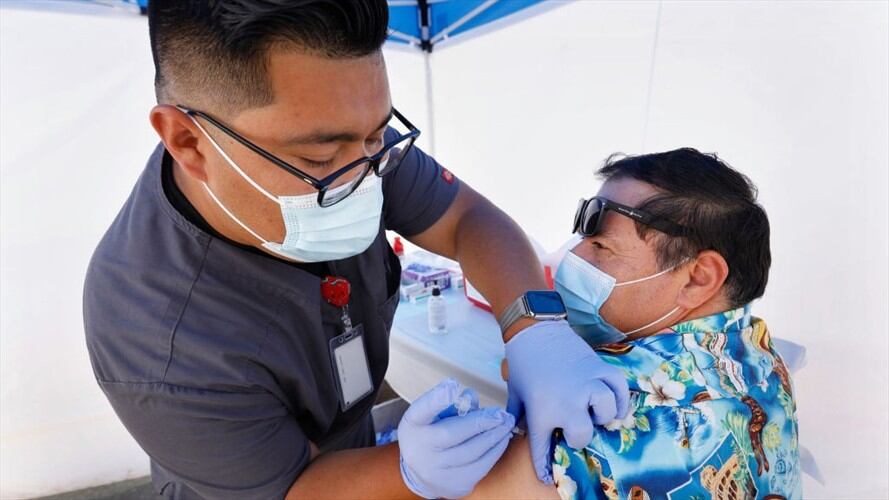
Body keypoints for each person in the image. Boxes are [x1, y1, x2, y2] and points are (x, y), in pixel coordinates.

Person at [82, 1, 628, 498]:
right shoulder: (155, 339)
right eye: (320, 160)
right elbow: (295, 490)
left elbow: (468, 219)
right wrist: (408, 472)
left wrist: (535, 328)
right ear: (188, 142)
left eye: (375, 137)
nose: (365, 179)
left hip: (357, 442)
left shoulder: (347, 142)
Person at [468, 148, 802, 500]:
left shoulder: (614, 407)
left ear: (698, 279)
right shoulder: (758, 353)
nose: (574, 256)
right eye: (583, 240)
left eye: (602, 246)